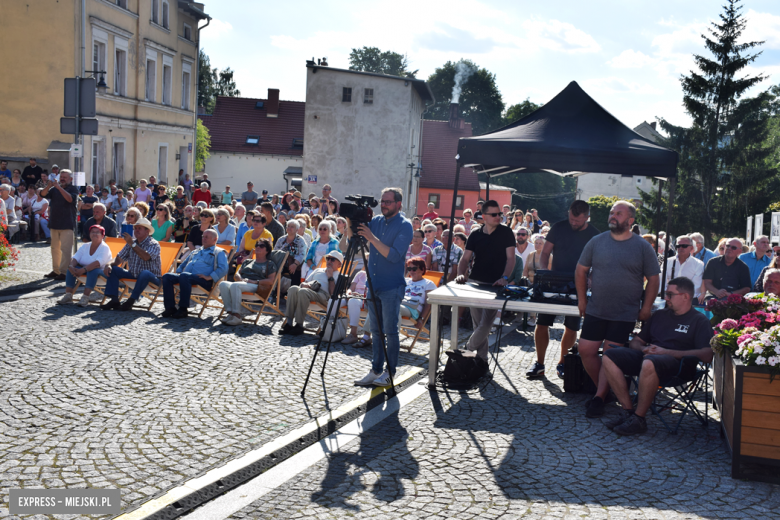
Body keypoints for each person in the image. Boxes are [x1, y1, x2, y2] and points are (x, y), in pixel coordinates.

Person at [575, 201, 660, 419]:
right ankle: (604, 392)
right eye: (612, 212)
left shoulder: (642, 247)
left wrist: (647, 307)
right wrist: (582, 300)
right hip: (596, 309)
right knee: (585, 350)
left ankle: (599, 396)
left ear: (630, 221)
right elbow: (581, 270)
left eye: (619, 213)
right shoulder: (596, 241)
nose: (613, 216)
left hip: (624, 312)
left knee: (610, 356)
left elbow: (653, 279)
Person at [602, 277, 713, 435]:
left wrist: (667, 352)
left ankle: (639, 419)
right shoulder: (660, 315)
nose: (666, 298)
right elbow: (636, 341)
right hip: (650, 359)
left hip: (679, 366)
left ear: (686, 296)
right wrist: (643, 348)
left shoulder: (699, 320)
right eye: (665, 294)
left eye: (670, 294)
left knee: (649, 363)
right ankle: (628, 411)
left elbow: (707, 355)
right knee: (609, 355)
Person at [337, 188, 413, 386]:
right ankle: (375, 369)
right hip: (373, 284)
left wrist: (371, 238)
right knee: (376, 332)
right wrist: (349, 221)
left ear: (399, 204)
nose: (384, 204)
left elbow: (394, 255)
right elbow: (349, 244)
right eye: (382, 201)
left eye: (388, 201)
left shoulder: (405, 226)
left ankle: (390, 372)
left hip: (391, 286)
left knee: (390, 331)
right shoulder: (376, 221)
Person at [527, 200, 600, 379]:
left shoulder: (594, 234)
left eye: (578, 221)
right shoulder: (559, 227)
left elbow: (598, 261)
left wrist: (591, 278)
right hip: (554, 281)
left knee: (571, 326)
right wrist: (544, 272)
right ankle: (540, 363)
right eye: (571, 219)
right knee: (542, 323)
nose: (573, 223)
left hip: (579, 284)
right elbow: (545, 253)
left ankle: (563, 362)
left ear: (587, 218)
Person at [455, 200, 516, 362]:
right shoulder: (475, 235)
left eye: (500, 214)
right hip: (475, 282)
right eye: (494, 214)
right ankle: (482, 362)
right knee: (478, 326)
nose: (499, 217)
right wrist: (461, 274)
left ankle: (467, 351)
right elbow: (464, 259)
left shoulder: (506, 233)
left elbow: (511, 259)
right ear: (484, 216)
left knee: (485, 324)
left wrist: (504, 278)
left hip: (495, 285)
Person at [161, 229, 228, 318]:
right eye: (203, 236)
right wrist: (178, 272)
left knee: (185, 276)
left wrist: (209, 277)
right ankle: (170, 308)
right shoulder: (196, 251)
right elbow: (183, 264)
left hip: (204, 281)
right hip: (186, 278)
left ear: (215, 239)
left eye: (206, 237)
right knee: (167, 276)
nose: (203, 239)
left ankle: (183, 309)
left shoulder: (219, 252)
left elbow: (223, 268)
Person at [99, 218, 162, 311]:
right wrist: (108, 264)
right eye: (135, 228)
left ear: (147, 231)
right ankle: (114, 300)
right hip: (133, 275)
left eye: (139, 228)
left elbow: (146, 257)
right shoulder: (131, 243)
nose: (136, 230)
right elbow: (118, 260)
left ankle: (130, 301)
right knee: (114, 269)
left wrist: (132, 244)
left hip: (152, 279)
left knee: (145, 273)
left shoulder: (153, 244)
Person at [280, 250, 344, 336]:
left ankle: (299, 325)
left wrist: (330, 277)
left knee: (303, 292)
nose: (329, 261)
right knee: (293, 288)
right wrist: (305, 285)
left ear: (339, 264)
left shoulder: (339, 275)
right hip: (309, 290)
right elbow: (304, 282)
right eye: (328, 259)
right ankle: (289, 323)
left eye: (332, 259)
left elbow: (333, 294)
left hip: (323, 296)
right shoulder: (318, 270)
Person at [219, 239, 278, 326]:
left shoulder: (270, 264)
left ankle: (237, 316)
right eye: (257, 245)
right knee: (223, 284)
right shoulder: (247, 261)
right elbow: (237, 274)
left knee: (235, 285)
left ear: (267, 250)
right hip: (242, 283)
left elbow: (271, 281)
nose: (258, 247)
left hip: (257, 286)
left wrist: (255, 281)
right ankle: (230, 313)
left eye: (261, 246)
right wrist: (240, 279)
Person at [57, 225, 113, 307]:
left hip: (101, 275)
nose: (94, 234)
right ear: (89, 234)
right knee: (70, 269)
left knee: (93, 269)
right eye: (92, 232)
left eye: (97, 232)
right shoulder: (85, 246)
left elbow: (97, 263)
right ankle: (68, 296)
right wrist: (71, 267)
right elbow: (75, 258)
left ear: (102, 235)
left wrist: (83, 270)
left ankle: (85, 297)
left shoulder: (104, 248)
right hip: (84, 272)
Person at [41, 169, 79, 280]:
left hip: (67, 223)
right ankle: (56, 270)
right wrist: (48, 186)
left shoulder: (73, 189)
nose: (62, 179)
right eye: (61, 177)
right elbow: (42, 194)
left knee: (65, 249)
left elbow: (70, 199)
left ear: (71, 179)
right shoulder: (54, 189)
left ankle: (64, 272)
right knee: (54, 248)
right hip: (54, 222)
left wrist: (58, 187)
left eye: (64, 177)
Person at [664, 235, 704, 303]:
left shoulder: (698, 264)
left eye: (684, 246)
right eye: (678, 246)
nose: (681, 248)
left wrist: (679, 297)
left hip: (688, 300)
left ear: (691, 248)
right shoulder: (667, 262)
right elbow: (662, 282)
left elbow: (696, 287)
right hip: (668, 298)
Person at [274, 219, 308, 292]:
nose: (289, 228)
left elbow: (302, 254)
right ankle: (273, 292)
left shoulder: (300, 240)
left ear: (297, 229)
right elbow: (275, 252)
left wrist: (295, 264)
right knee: (273, 271)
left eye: (292, 226)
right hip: (281, 263)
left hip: (294, 263)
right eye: (288, 226)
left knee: (295, 273)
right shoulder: (281, 239)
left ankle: (292, 293)